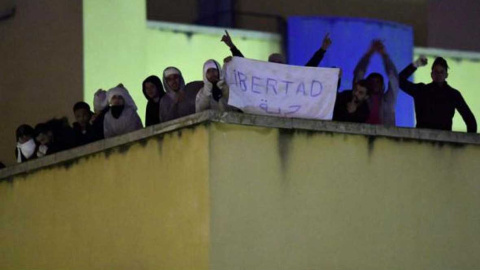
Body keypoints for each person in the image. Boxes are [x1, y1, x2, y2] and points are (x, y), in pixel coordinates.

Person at [399, 56, 477, 132]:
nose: (439, 74)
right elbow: (399, 80)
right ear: (431, 74)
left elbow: (470, 120)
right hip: (438, 142)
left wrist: (416, 64)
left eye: (441, 72)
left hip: (423, 142)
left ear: (446, 75)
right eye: (436, 71)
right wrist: (416, 64)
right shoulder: (422, 90)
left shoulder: (452, 94)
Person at [353, 39, 399, 126]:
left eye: (378, 81)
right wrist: (369, 54)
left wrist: (385, 55)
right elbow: (358, 75)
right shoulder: (361, 98)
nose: (375, 84)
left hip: (385, 138)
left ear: (382, 84)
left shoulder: (388, 99)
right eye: (372, 81)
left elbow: (394, 78)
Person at [221, 30, 332, 66]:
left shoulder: (290, 76)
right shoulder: (262, 75)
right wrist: (231, 46)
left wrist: (323, 49)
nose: (275, 64)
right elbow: (244, 65)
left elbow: (308, 70)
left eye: (279, 63)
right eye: (273, 62)